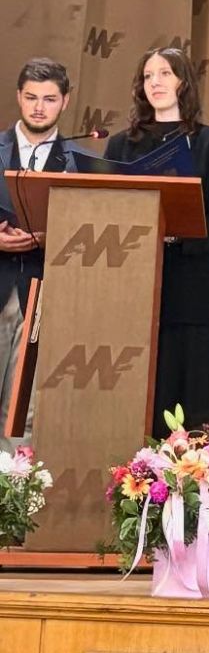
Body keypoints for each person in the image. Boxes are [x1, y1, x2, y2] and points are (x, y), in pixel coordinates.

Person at [104, 47, 209, 429]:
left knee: (191, 405)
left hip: (189, 288)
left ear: (184, 82)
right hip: (133, 284)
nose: (156, 82)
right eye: (148, 76)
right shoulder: (121, 145)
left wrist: (177, 237)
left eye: (165, 73)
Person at [0, 59, 76, 429]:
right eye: (31, 97)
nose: (39, 107)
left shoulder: (80, 163)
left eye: (49, 99)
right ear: (18, 96)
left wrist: (54, 235)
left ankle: (14, 470)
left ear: (65, 101)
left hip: (44, 297)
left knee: (22, 417)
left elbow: (89, 234)